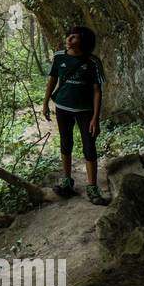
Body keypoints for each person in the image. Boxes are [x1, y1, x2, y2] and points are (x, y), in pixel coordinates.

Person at [41, 25, 108, 205]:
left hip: (85, 111)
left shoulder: (93, 62)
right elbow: (53, 79)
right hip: (62, 107)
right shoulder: (59, 57)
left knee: (89, 146)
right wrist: (45, 102)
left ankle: (92, 187)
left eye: (74, 37)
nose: (69, 40)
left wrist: (95, 117)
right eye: (68, 36)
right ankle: (67, 181)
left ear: (84, 41)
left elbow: (97, 91)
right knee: (65, 142)